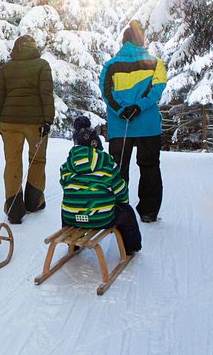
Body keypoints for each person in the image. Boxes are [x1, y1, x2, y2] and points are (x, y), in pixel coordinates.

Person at [99, 19, 167, 223]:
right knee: (150, 167)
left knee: (119, 169)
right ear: (141, 40)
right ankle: (148, 211)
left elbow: (106, 92)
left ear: (124, 41)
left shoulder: (110, 65)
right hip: (148, 126)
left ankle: (118, 210)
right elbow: (157, 88)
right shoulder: (155, 62)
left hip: (121, 127)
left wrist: (121, 109)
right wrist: (140, 106)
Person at [0, 35, 54, 224]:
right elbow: (46, 94)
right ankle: (34, 201)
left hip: (9, 122)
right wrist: (48, 120)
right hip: (35, 123)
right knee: (37, 159)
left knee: (12, 162)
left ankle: (14, 209)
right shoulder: (42, 65)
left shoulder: (6, 68)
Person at [60, 117, 141, 255]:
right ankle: (132, 246)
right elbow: (120, 192)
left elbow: (65, 186)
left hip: (72, 218)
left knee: (68, 205)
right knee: (127, 212)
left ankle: (73, 243)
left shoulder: (66, 166)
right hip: (102, 218)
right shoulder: (107, 163)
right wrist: (119, 202)